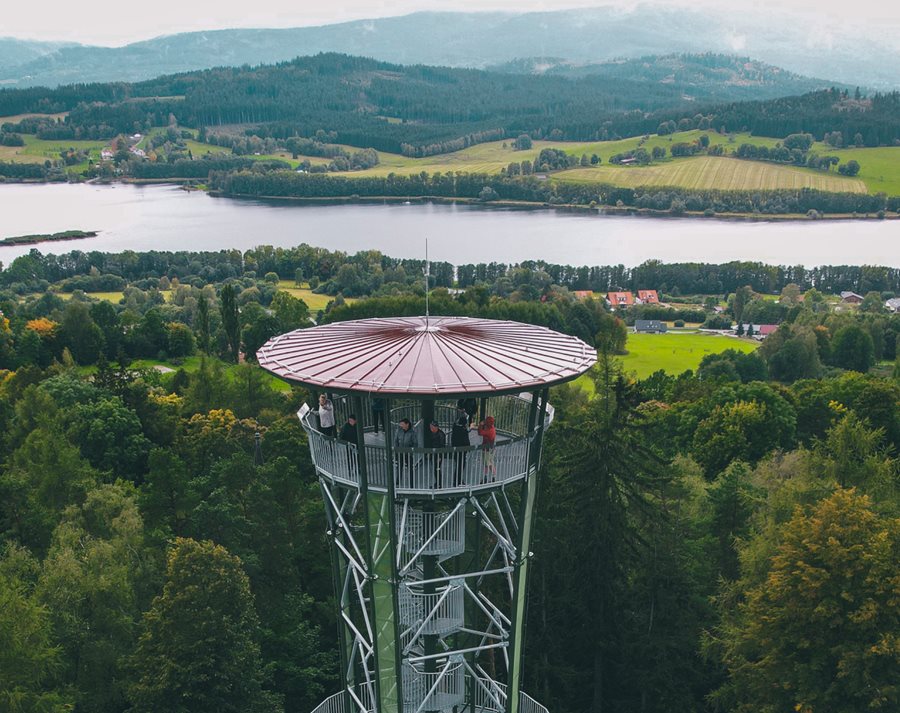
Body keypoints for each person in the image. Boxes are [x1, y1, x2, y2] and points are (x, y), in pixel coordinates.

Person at [393, 417, 417, 486]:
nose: (401, 425)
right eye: (400, 424)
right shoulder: (398, 431)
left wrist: (411, 451)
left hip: (408, 454)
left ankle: (411, 483)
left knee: (410, 469)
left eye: (402, 424)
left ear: (407, 424)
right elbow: (396, 441)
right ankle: (397, 481)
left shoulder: (412, 433)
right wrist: (396, 450)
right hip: (400, 453)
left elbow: (415, 443)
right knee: (399, 467)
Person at [450, 406, 471, 486]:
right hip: (462, 451)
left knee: (457, 466)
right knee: (461, 467)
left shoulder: (455, 428)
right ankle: (458, 482)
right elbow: (466, 441)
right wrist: (468, 448)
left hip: (456, 450)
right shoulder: (463, 431)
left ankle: (456, 481)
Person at [425, 420, 446, 488]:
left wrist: (440, 457)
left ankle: (439, 484)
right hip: (433, 454)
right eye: (430, 427)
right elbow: (430, 444)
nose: (431, 428)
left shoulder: (441, 434)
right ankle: (437, 483)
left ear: (435, 427)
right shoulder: (431, 433)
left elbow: (442, 446)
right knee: (435, 469)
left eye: (432, 427)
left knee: (437, 469)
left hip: (438, 454)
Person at [477, 415, 496, 481]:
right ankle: (493, 476)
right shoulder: (492, 428)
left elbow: (480, 433)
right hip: (492, 448)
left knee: (486, 464)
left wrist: (480, 425)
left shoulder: (489, 431)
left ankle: (485, 477)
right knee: (490, 462)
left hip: (486, 449)